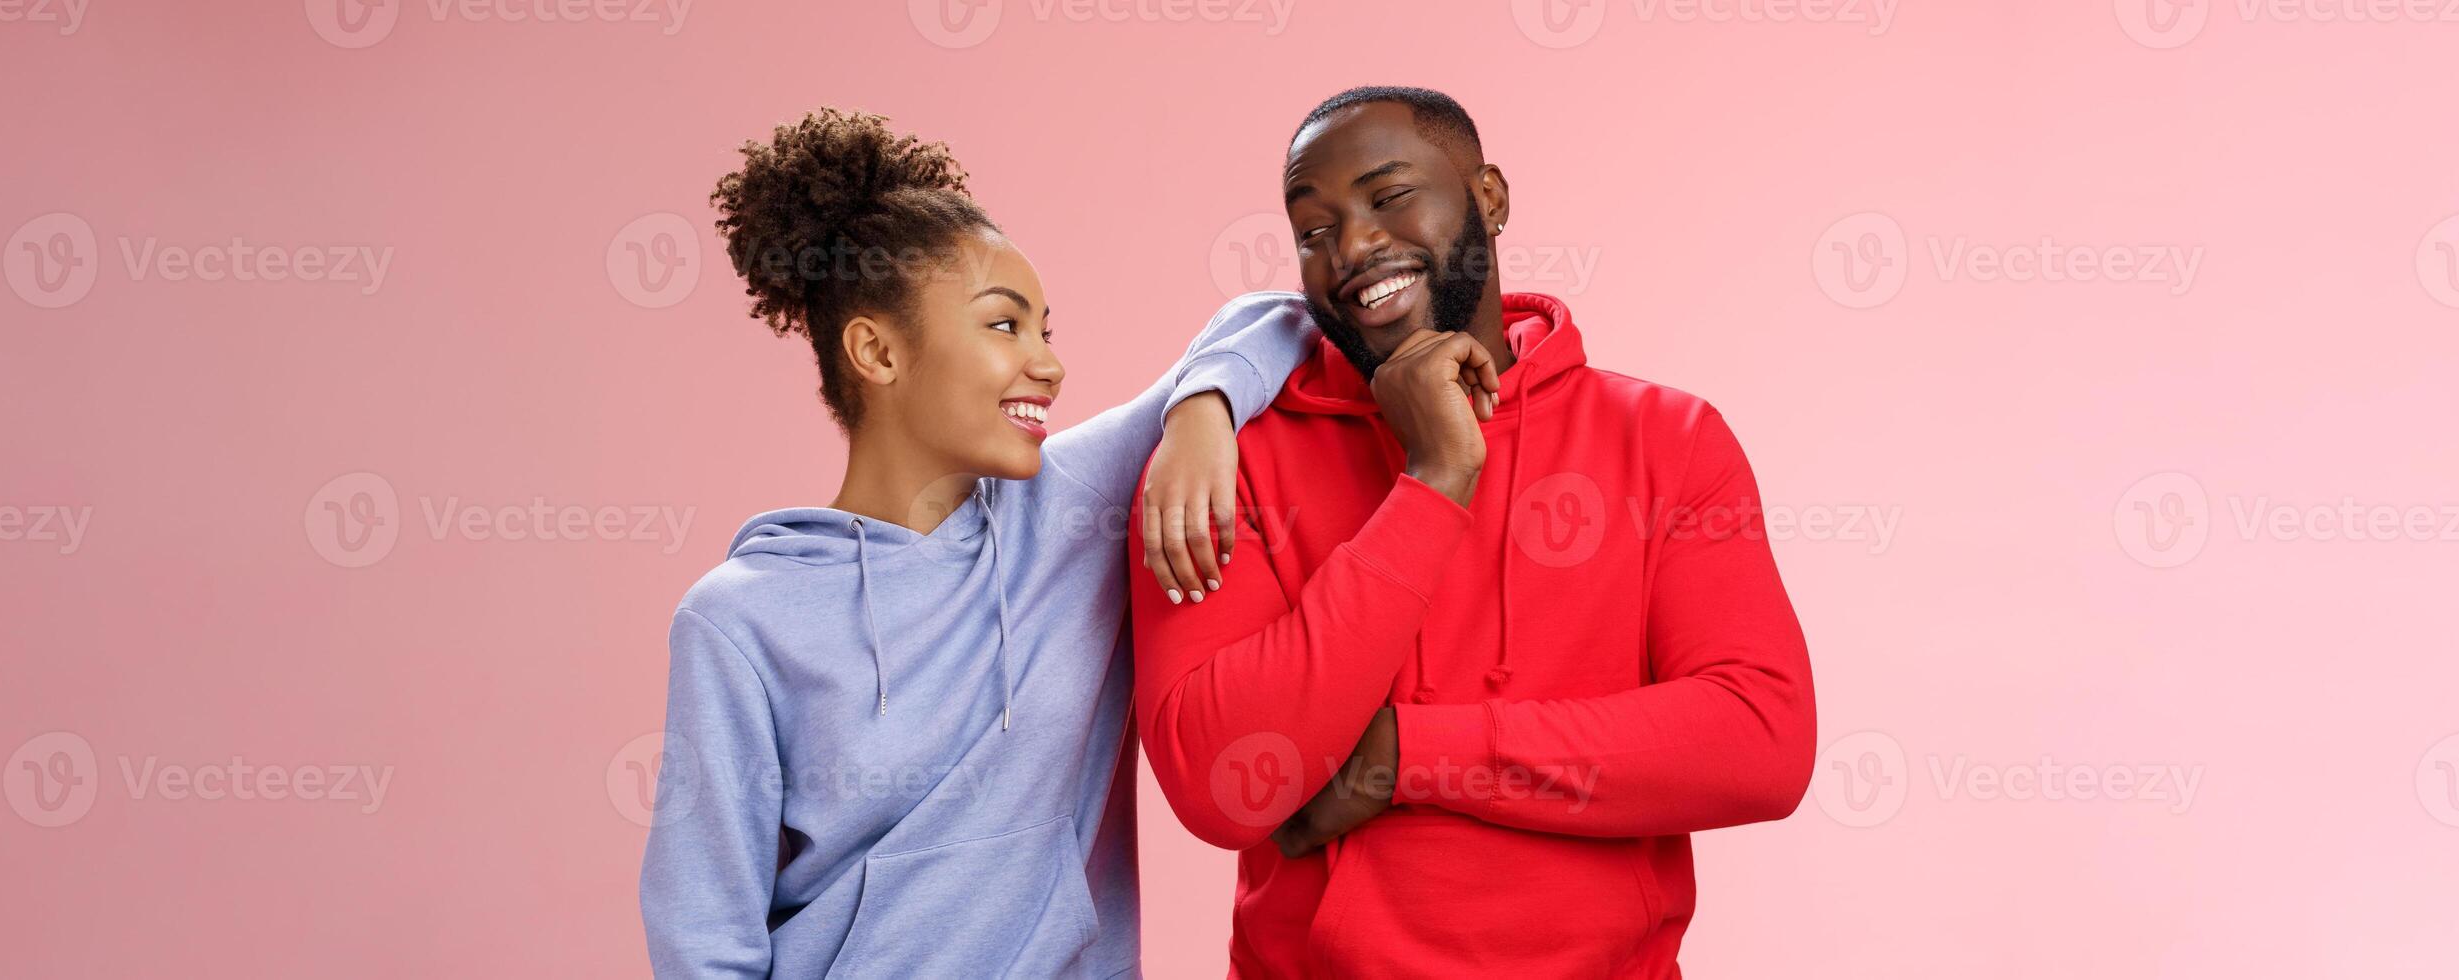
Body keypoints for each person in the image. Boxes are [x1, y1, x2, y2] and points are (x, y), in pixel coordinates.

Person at [1130, 87, 1817, 977]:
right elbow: (1222, 782)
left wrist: (1407, 756)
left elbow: (1759, 740)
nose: (1354, 246)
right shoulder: (1223, 464)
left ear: (1488, 197)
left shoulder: (1667, 439)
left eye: (1388, 196)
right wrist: (1434, 480)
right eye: (1313, 228)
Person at [641, 108, 1316, 978]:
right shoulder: (739, 621)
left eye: (1046, 328)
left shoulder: (1073, 509)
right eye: (1005, 326)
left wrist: (1202, 410)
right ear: (877, 352)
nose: (1048, 363)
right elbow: (703, 939)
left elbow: (1282, 316)